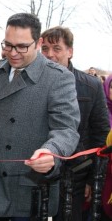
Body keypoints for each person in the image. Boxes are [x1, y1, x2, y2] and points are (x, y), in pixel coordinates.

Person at [0, 13, 80, 220]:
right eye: (8, 45)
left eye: (21, 46)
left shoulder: (58, 78)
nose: (13, 53)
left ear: (38, 43)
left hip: (28, 187)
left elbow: (66, 129)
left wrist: (51, 152)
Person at [41, 26, 110, 221]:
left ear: (70, 51)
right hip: (39, 174)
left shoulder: (91, 86)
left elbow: (100, 136)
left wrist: (92, 180)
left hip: (76, 176)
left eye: (56, 48)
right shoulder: (32, 83)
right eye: (45, 49)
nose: (50, 55)